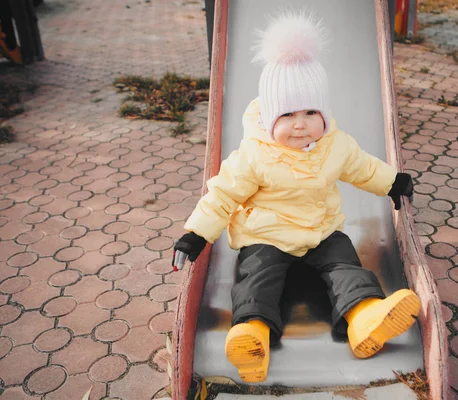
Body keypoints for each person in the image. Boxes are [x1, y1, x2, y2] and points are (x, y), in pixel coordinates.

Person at [172, 11, 420, 383]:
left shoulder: (334, 144)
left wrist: (392, 183)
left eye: (310, 111)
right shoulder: (254, 155)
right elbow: (221, 195)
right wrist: (196, 234)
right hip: (267, 236)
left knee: (345, 264)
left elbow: (363, 167)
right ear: (270, 117)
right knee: (258, 275)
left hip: (320, 231)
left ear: (324, 113)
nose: (301, 123)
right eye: (287, 114)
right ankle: (251, 332)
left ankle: (365, 317)